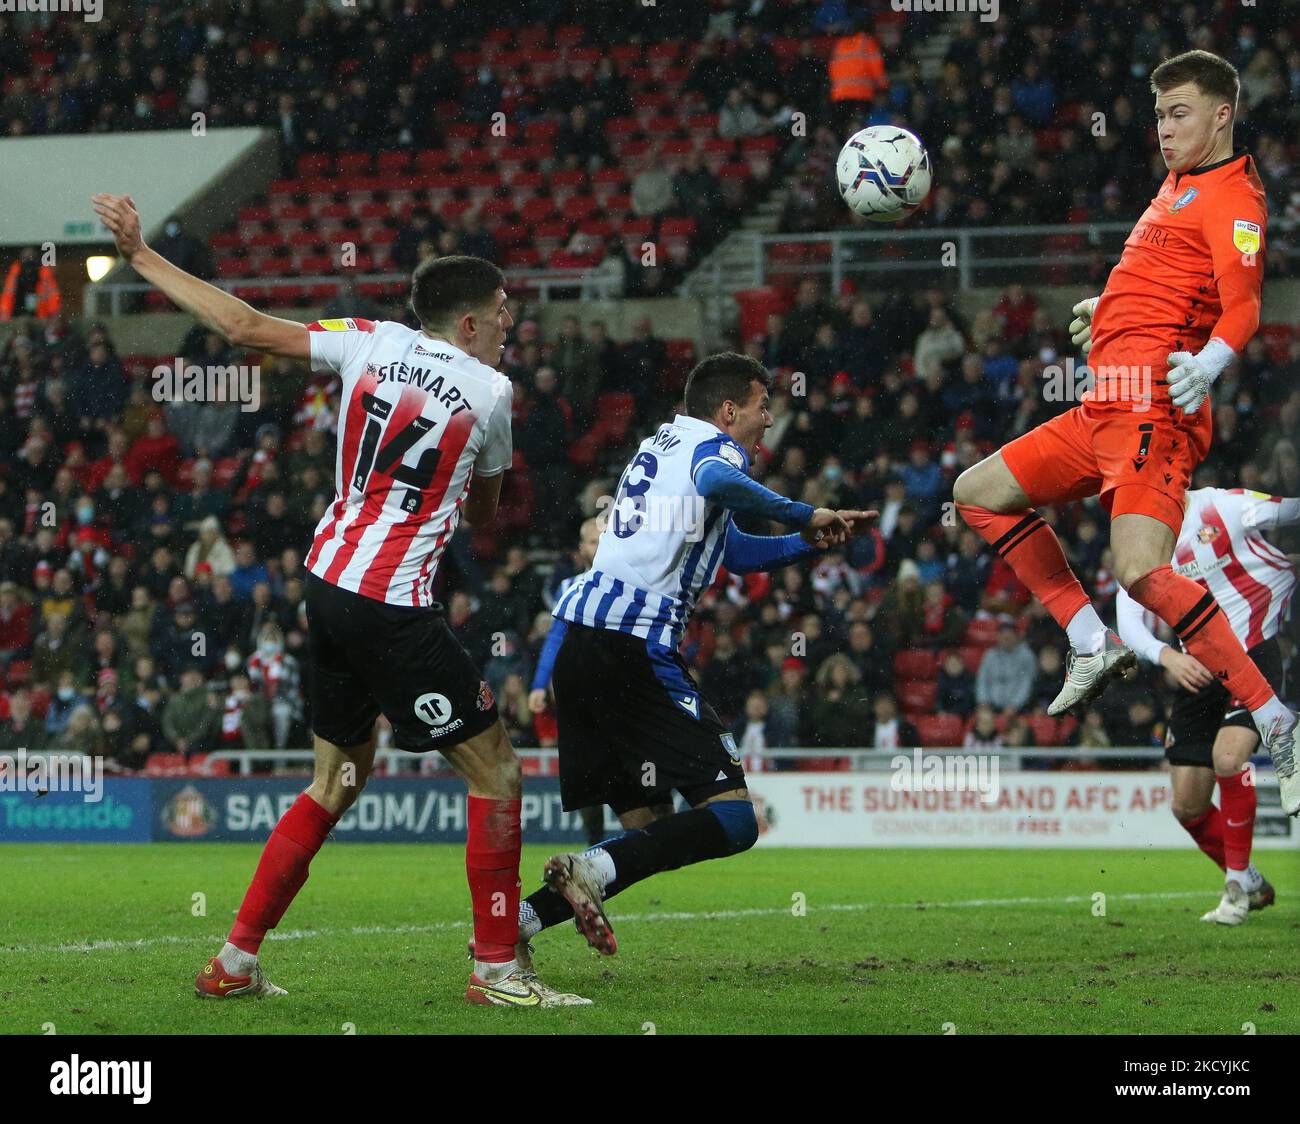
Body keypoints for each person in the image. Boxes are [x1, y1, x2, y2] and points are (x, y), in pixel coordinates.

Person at [91, 192, 584, 1007]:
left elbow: (243, 326)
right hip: (391, 602)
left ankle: (235, 961)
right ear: (467, 325)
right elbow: (488, 514)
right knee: (496, 771)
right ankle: (497, 967)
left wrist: (142, 256)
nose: (509, 323)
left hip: (326, 584)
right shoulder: (491, 393)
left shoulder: (369, 342)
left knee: (338, 780)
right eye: (500, 313)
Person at [951, 50, 1298, 813]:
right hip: (1100, 403)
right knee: (977, 493)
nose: (1165, 129)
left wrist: (1207, 365)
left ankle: (1276, 720)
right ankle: (1088, 640)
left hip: (1152, 412)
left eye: (1180, 114)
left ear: (1221, 115)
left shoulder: (1235, 197)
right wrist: (1103, 316)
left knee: (1140, 569)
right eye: (1159, 114)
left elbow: (1245, 305)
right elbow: (1164, 281)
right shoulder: (1177, 185)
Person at [519, 353, 873, 964]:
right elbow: (716, 481)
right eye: (764, 407)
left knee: (647, 827)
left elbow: (731, 550)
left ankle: (518, 924)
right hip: (634, 645)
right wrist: (800, 510)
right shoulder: (714, 449)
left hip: (584, 645)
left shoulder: (666, 443)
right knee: (736, 819)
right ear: (730, 409)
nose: (770, 420)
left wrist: (804, 541)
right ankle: (583, 870)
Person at [1117, 486, 1298, 924]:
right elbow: (1127, 612)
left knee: (1229, 758)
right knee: (1187, 805)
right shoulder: (1144, 534)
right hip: (1196, 668)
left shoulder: (1225, 506)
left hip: (1251, 652)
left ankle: (1235, 891)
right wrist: (1167, 656)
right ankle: (1249, 879)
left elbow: (1288, 511)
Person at [528, 516, 606, 847]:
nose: (600, 547)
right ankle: (596, 845)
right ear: (581, 549)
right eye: (593, 541)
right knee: (588, 771)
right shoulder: (570, 587)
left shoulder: (640, 581)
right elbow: (556, 636)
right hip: (586, 691)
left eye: (606, 539)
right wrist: (538, 684)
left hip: (628, 687)